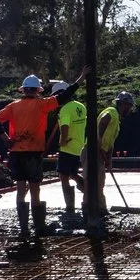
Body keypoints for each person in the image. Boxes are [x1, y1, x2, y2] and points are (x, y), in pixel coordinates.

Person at [0, 75, 58, 242]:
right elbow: (63, 96)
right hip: (33, 152)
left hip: (16, 153)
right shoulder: (42, 104)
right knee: (35, 191)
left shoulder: (13, 106)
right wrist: (80, 80)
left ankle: (24, 228)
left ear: (23, 89)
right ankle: (39, 227)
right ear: (37, 90)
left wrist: (5, 139)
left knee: (21, 191)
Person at [51, 79, 89, 232]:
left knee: (63, 175)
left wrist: (62, 141)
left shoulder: (65, 109)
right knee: (73, 173)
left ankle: (70, 206)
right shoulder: (81, 106)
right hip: (79, 146)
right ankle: (87, 190)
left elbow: (65, 127)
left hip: (67, 148)